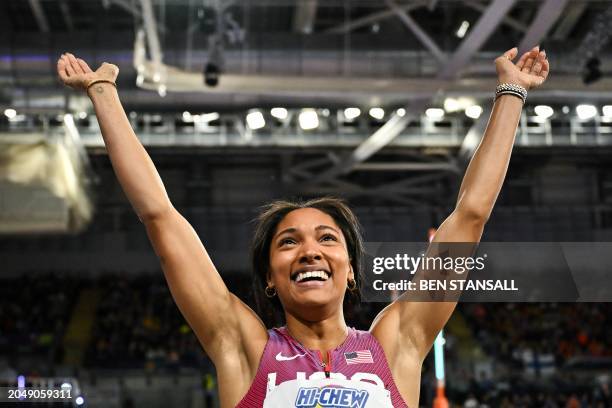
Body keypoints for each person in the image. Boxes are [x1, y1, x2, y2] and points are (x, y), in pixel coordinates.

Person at [57, 45, 549, 407]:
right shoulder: (243, 347)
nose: (310, 251)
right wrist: (103, 93)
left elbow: (470, 215)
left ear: (351, 272)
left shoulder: (396, 345)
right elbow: (160, 217)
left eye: (327, 238)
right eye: (288, 242)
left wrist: (512, 92)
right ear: (270, 277)